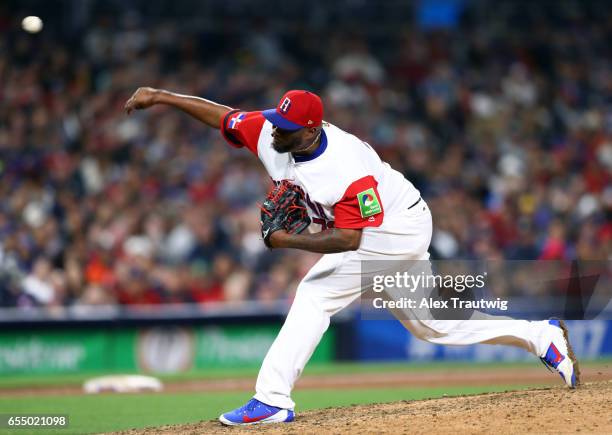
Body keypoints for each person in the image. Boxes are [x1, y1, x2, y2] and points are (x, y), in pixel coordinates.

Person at [124, 88, 579, 426]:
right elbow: (224, 116)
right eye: (274, 123)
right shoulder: (272, 131)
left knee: (315, 294)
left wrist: (284, 241)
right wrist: (162, 97)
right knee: (430, 325)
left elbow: (350, 241)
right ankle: (541, 337)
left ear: (310, 129)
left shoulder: (347, 170)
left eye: (284, 129)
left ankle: (272, 399)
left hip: (395, 227)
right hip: (382, 228)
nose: (273, 132)